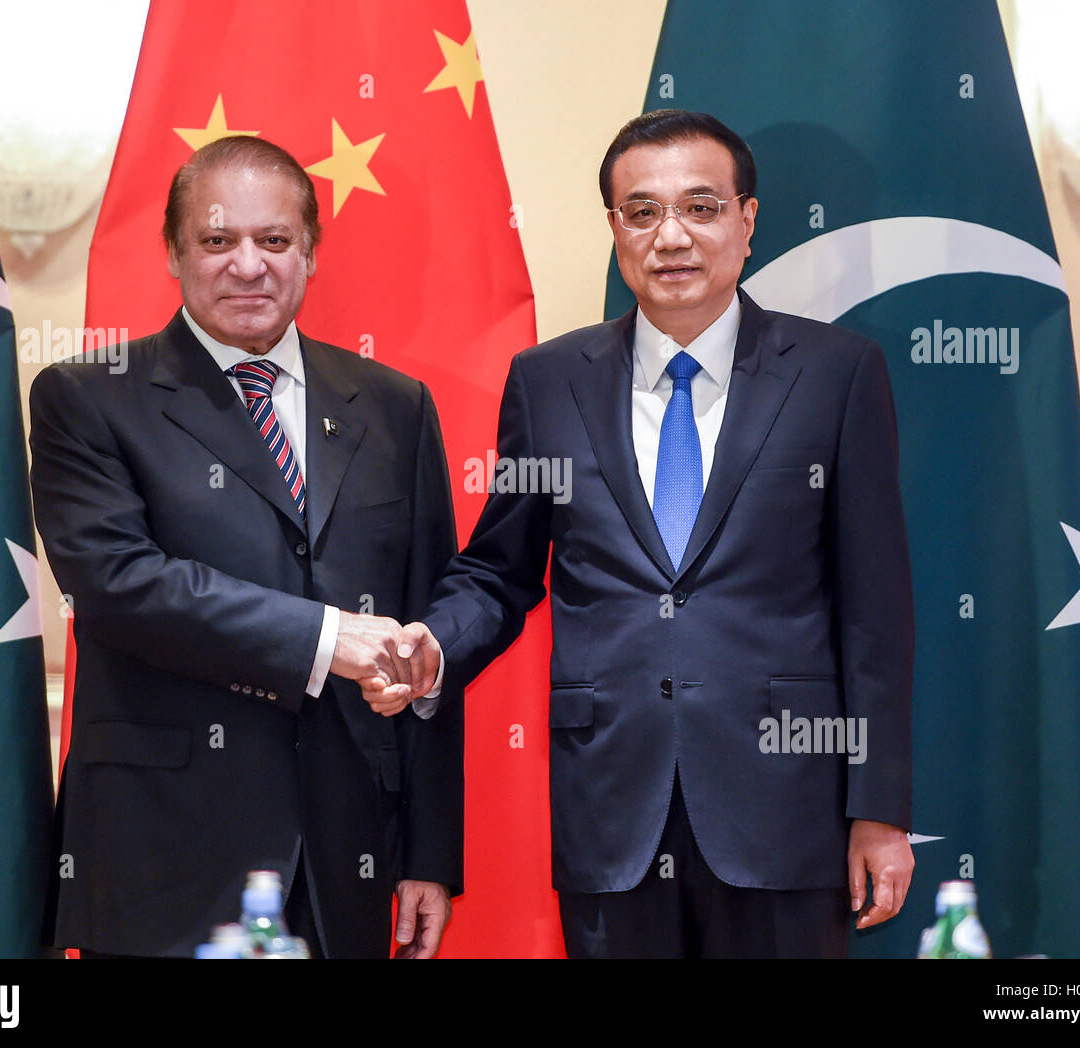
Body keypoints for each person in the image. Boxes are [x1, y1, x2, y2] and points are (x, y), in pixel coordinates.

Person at [364, 110, 915, 958]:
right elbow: (500, 570)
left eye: (701, 208)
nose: (673, 237)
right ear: (616, 229)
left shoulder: (837, 374)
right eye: (643, 211)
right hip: (612, 808)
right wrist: (434, 647)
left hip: (786, 813)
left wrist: (878, 809)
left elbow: (875, 609)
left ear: (747, 220)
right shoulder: (549, 382)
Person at [28, 136, 462, 959]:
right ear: (174, 253)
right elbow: (120, 585)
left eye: (274, 241)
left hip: (351, 857)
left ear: (311, 253)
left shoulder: (395, 407)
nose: (248, 266)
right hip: (166, 853)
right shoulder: (87, 397)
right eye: (218, 241)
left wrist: (429, 856)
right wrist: (330, 637)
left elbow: (428, 629)